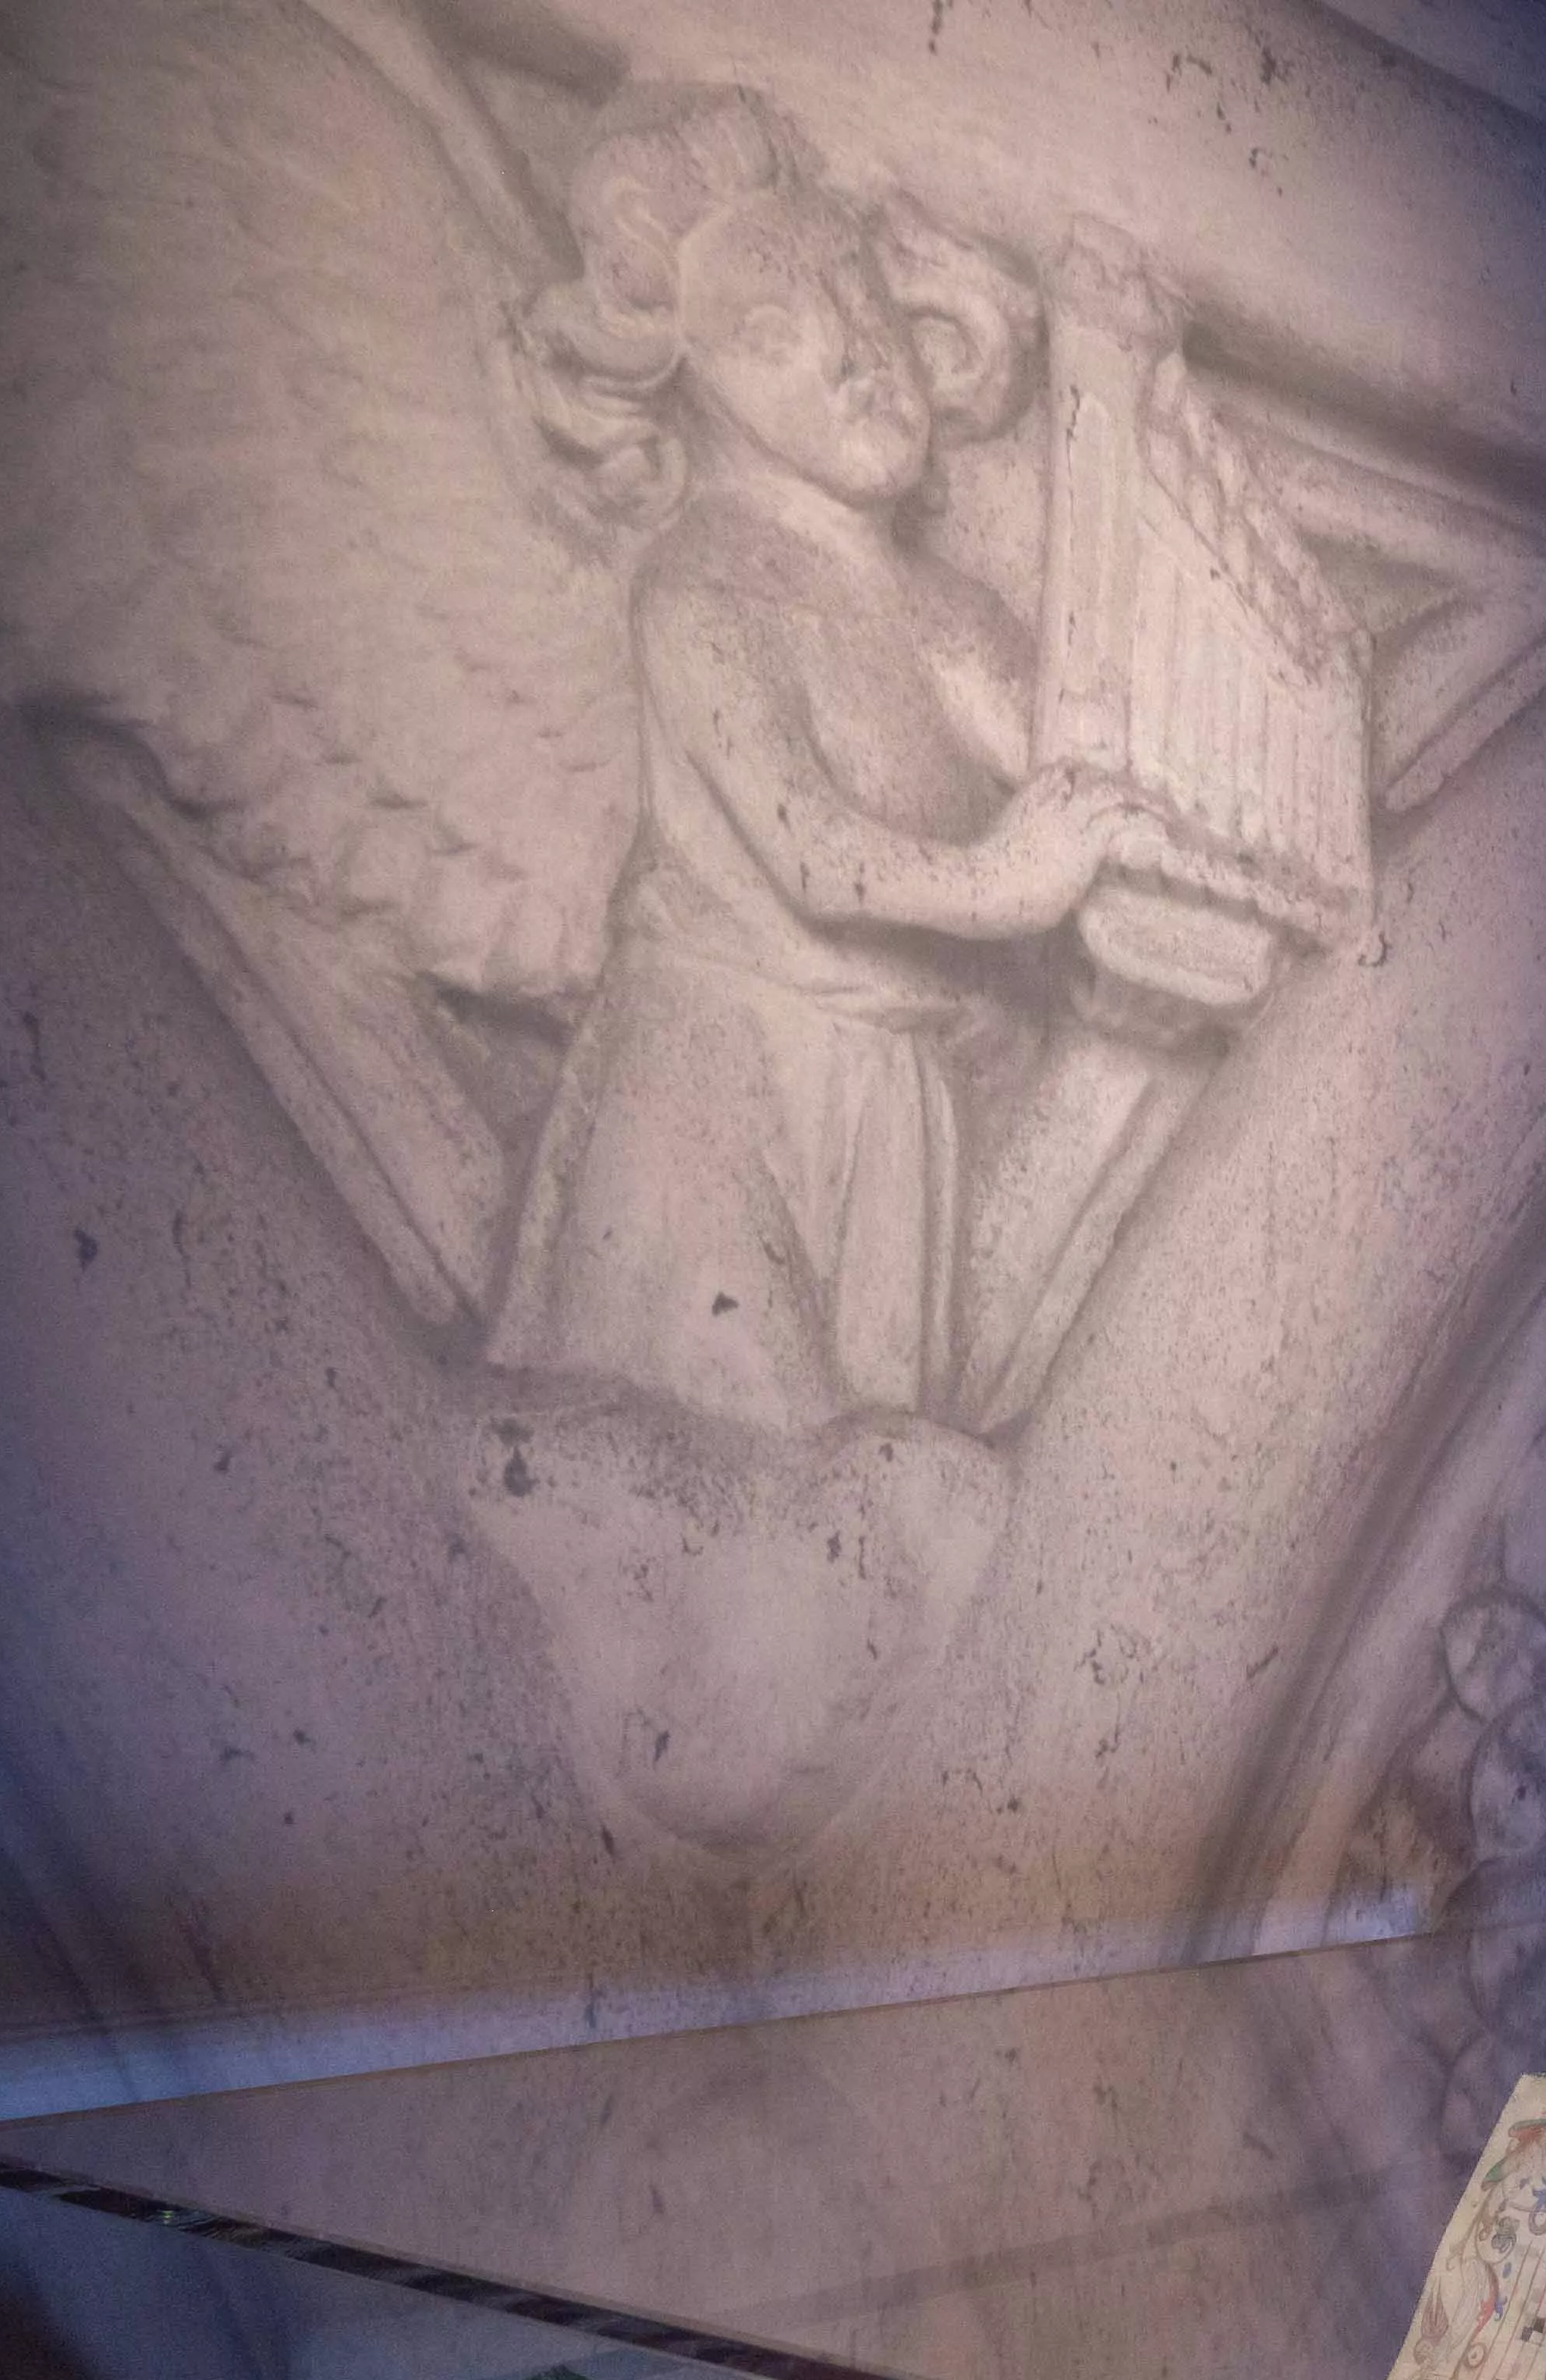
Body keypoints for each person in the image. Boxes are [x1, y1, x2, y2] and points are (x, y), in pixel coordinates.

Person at [491, 90, 1148, 1436]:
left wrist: (1117, 411)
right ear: (688, 390)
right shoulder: (699, 588)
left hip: (894, 1108)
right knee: (710, 1480)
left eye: (857, 295)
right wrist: (1008, 881)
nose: (854, 353)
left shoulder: (944, 612)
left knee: (869, 1533)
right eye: (773, 337)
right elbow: (815, 851)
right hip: (721, 1094)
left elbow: (1091, 759)